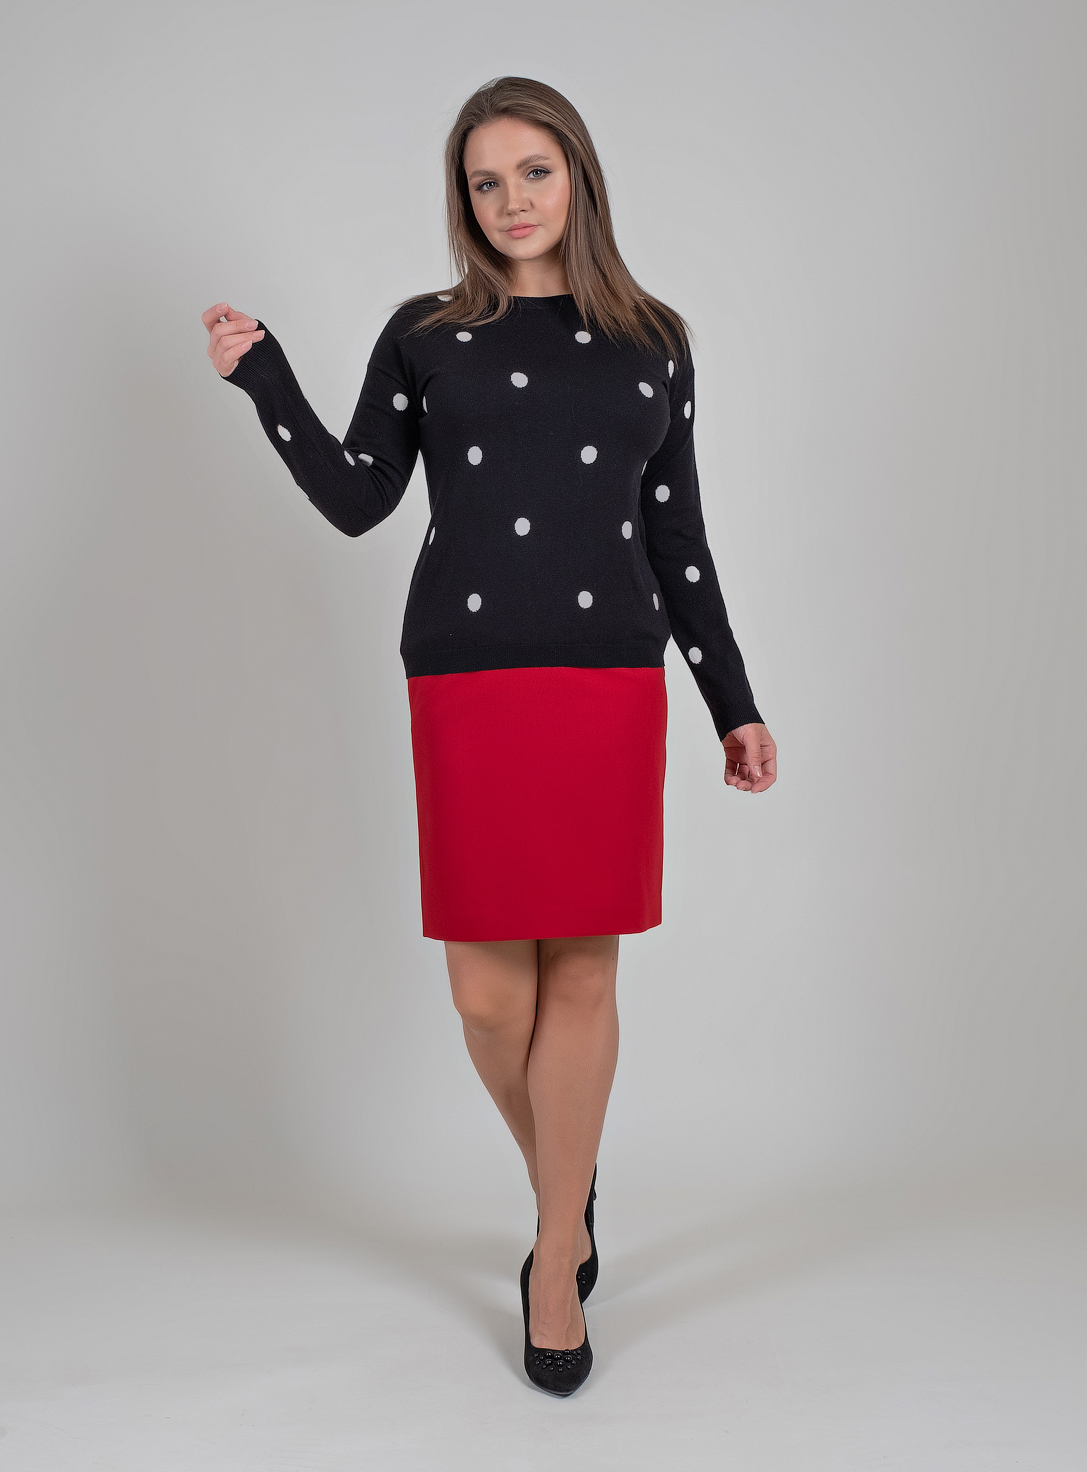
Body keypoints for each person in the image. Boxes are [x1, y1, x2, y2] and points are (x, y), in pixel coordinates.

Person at [203, 75, 776, 1397]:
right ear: (461, 200)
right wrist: (265, 378)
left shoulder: (654, 340)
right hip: (466, 679)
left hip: (607, 680)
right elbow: (358, 498)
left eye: (533, 170)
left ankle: (555, 1247)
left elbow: (678, 538)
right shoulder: (427, 335)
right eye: (484, 180)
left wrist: (733, 703)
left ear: (578, 175)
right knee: (485, 997)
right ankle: (568, 1188)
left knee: (580, 976)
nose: (510, 199)